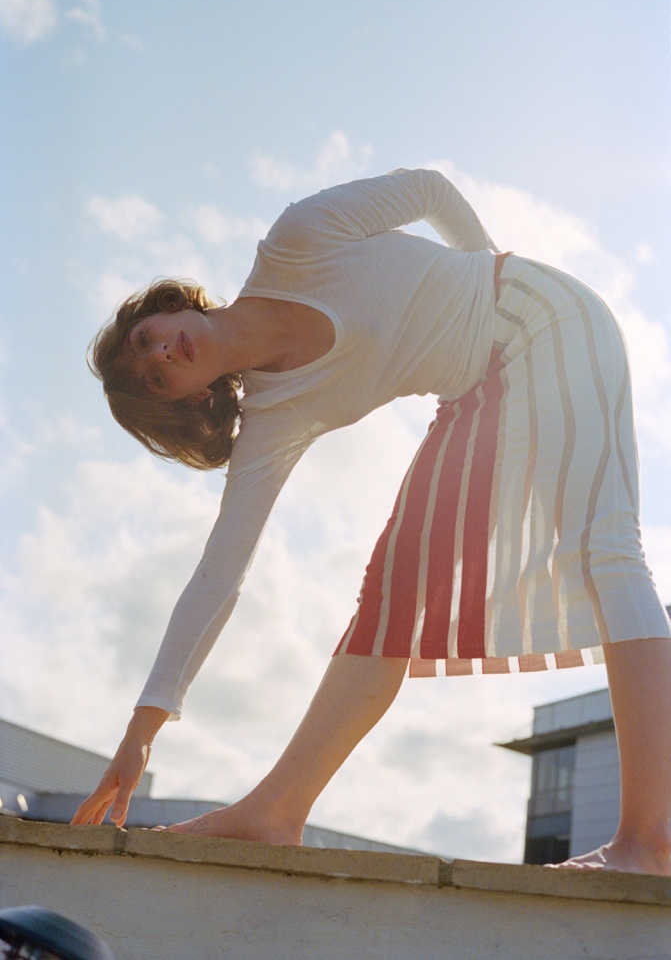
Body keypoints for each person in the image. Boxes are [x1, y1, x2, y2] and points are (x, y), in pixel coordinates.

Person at [71, 169, 671, 875]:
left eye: (148, 338)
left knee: (604, 547)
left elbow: (427, 191)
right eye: (154, 377)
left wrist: (485, 270)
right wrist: (142, 730)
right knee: (393, 593)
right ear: (191, 398)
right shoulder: (273, 421)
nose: (161, 354)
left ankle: (650, 839)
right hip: (478, 389)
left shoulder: (298, 241)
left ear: (170, 309)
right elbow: (217, 575)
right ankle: (275, 811)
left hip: (546, 317)